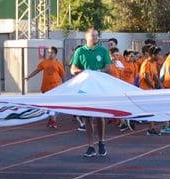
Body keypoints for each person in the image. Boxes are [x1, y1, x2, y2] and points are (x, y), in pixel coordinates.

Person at [71, 28, 112, 157]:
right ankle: (90, 145)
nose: (95, 38)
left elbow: (108, 67)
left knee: (100, 116)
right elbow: (73, 69)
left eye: (96, 36)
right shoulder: (80, 51)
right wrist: (82, 72)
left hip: (99, 88)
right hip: (85, 88)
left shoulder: (102, 51)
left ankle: (101, 142)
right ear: (86, 37)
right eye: (92, 36)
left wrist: (98, 72)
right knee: (87, 117)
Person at [25, 46, 65, 128]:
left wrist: (65, 86)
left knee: (54, 104)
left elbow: (62, 75)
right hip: (45, 86)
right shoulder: (44, 62)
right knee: (48, 104)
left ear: (55, 54)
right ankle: (51, 119)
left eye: (52, 53)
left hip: (55, 87)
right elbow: (37, 70)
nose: (50, 54)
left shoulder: (59, 63)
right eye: (49, 52)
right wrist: (29, 77)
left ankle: (53, 121)